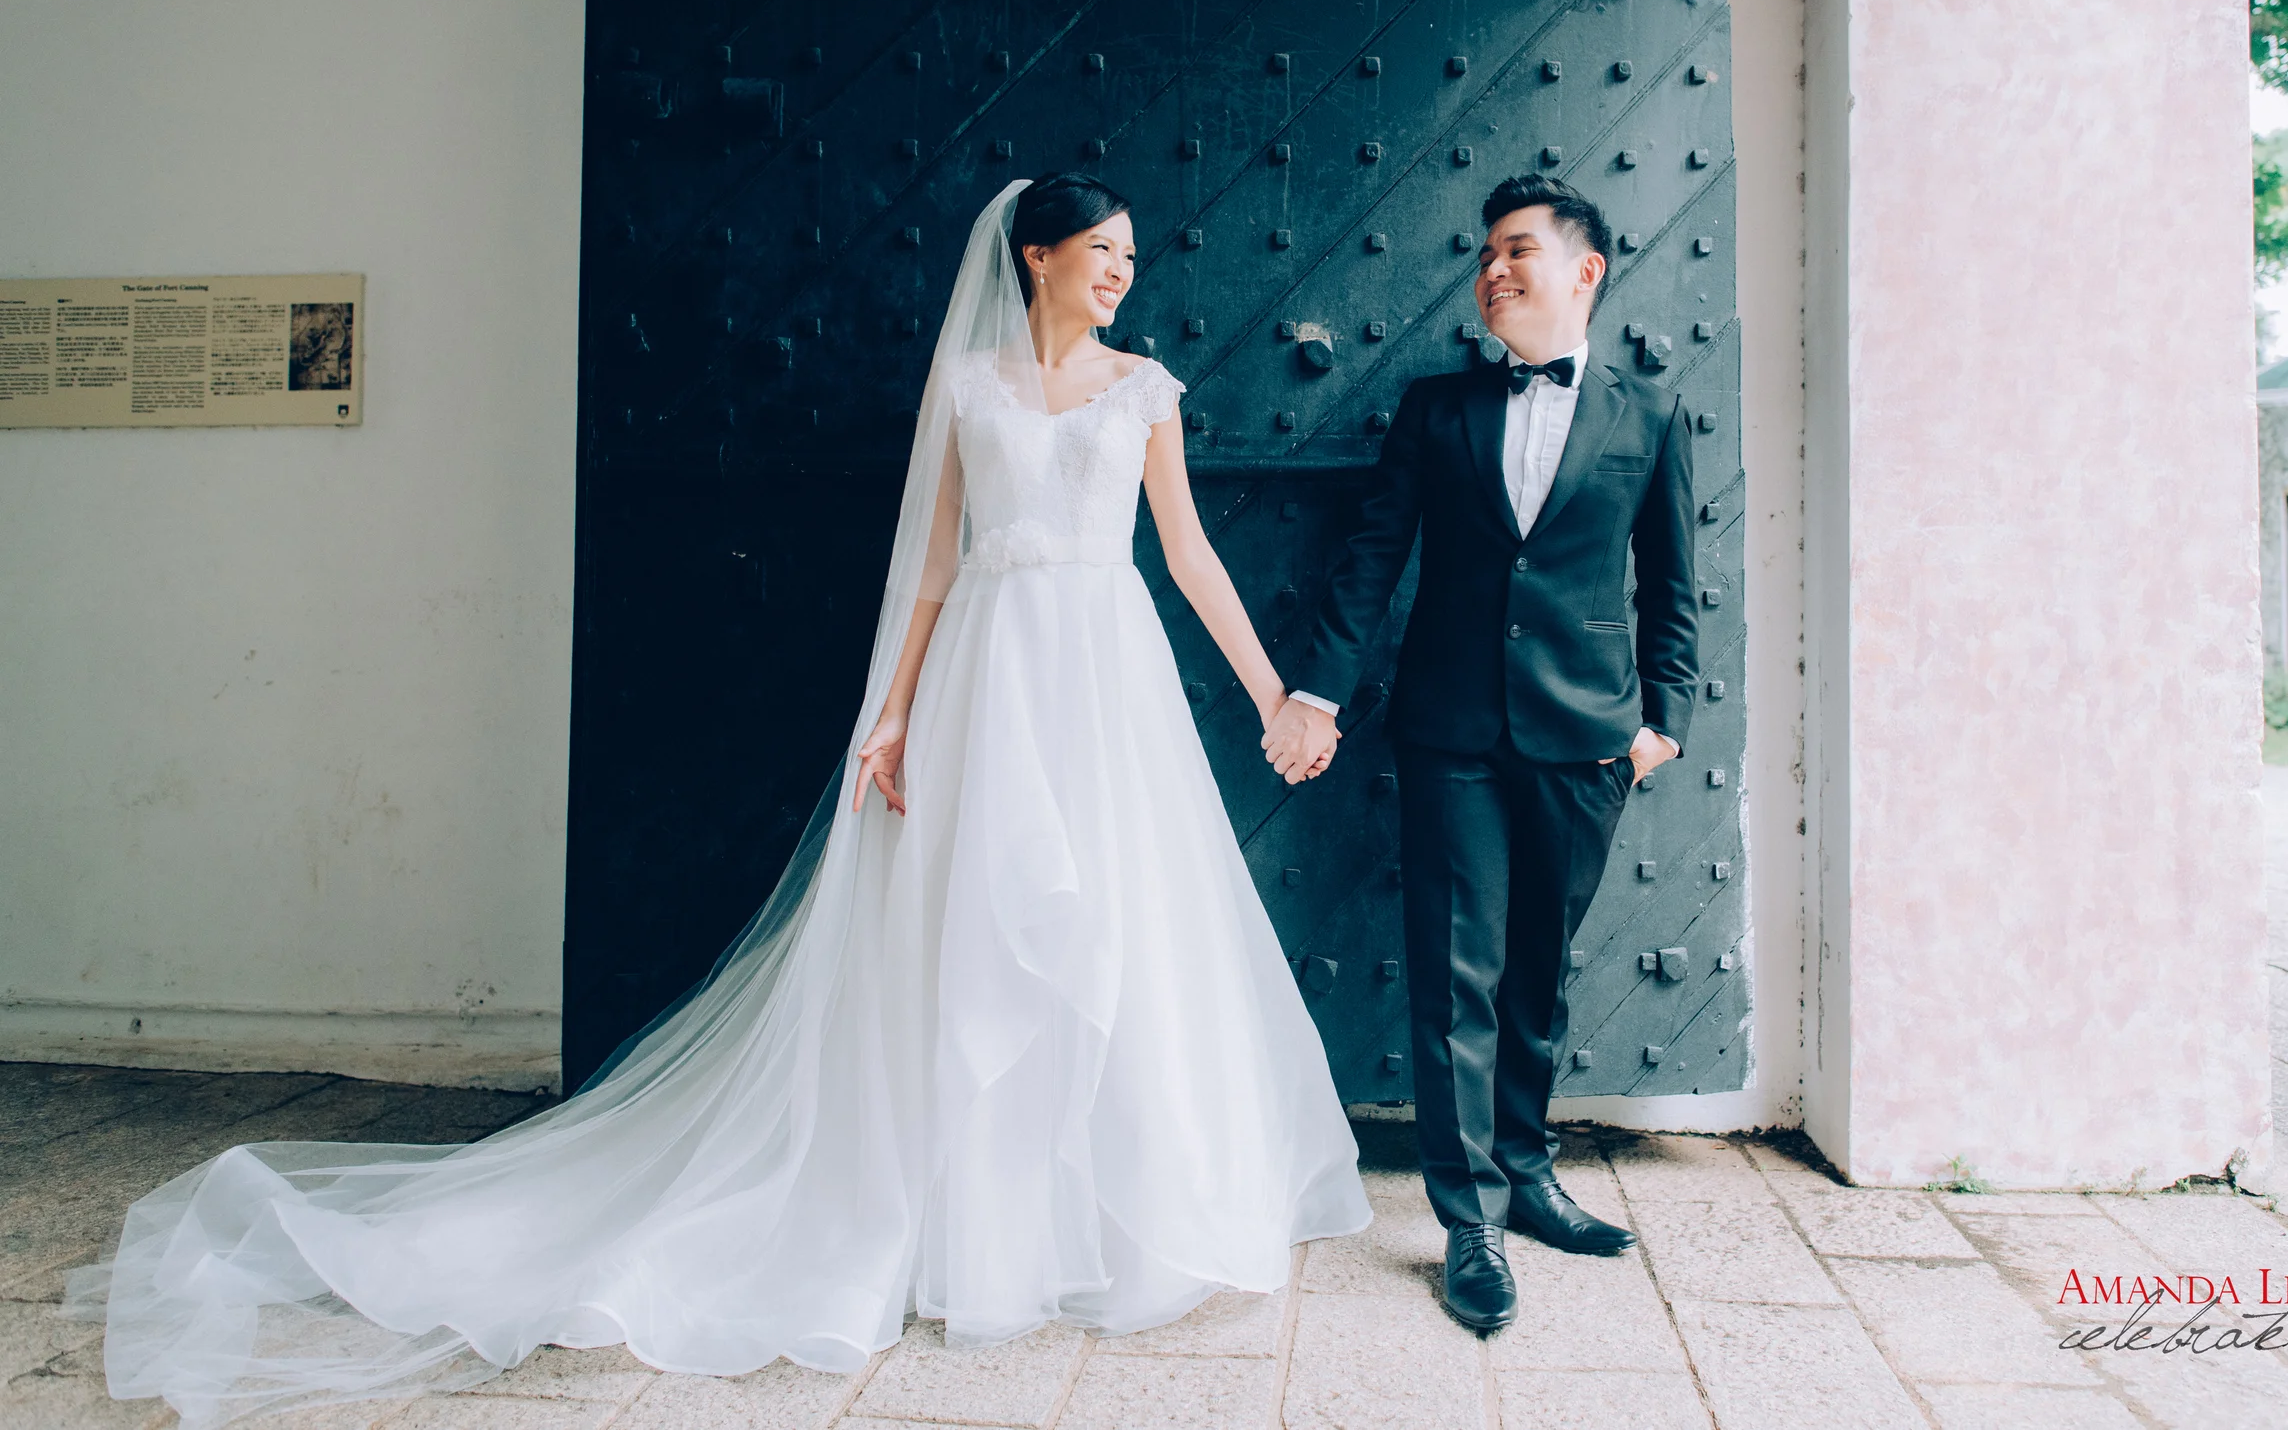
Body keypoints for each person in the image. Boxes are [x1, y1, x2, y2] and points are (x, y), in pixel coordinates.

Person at [72, 175, 1369, 1427]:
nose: (1123, 272)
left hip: (1101, 672)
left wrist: (1273, 695)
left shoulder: (1143, 390)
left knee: (1115, 917)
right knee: (966, 928)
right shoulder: (969, 386)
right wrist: (893, 712)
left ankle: (1108, 1214)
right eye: (1103, 252)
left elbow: (1187, 553)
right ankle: (969, 1221)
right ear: (1038, 256)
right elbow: (932, 563)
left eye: (1130, 256)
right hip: (986, 674)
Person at [1262, 172, 1701, 1335]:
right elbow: (1370, 559)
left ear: (1583, 270)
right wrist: (1316, 692)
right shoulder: (1435, 410)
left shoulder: (1651, 412)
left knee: (1536, 973)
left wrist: (1662, 721)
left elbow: (1671, 584)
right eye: (1484, 255)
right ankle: (1470, 1224)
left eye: (1516, 250)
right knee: (1457, 974)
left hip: (1587, 741)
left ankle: (1530, 1170)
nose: (1492, 271)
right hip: (1449, 731)